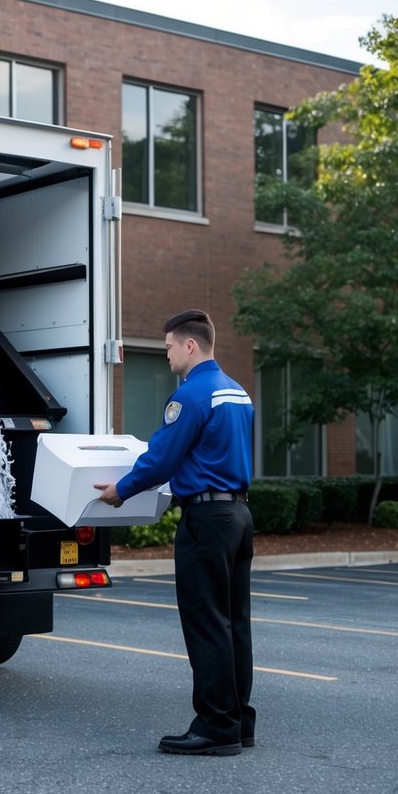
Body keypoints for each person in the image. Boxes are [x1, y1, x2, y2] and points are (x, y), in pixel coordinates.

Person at [94, 309, 255, 757]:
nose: (165, 355)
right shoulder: (237, 392)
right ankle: (239, 721)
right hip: (239, 516)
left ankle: (215, 727)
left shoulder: (191, 396)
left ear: (190, 345)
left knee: (206, 624)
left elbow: (162, 458)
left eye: (167, 347)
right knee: (234, 624)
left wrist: (120, 490)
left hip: (207, 522)